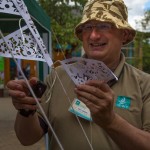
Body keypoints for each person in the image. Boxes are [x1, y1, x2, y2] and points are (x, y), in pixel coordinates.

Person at [7, 0, 150, 149]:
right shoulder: (58, 77)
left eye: (104, 25)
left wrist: (111, 121)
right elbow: (27, 139)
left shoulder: (145, 85)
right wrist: (26, 108)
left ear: (124, 34)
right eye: (88, 27)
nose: (93, 35)